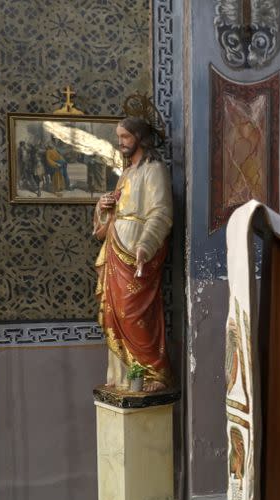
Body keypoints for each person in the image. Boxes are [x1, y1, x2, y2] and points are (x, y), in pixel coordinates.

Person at [93, 115, 172, 392]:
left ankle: (153, 374)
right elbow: (112, 216)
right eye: (119, 137)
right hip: (116, 247)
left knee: (133, 312)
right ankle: (125, 377)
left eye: (125, 137)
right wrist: (103, 207)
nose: (120, 143)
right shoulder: (126, 173)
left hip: (137, 251)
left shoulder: (154, 170)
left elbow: (161, 212)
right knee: (115, 312)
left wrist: (146, 245)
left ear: (139, 137)